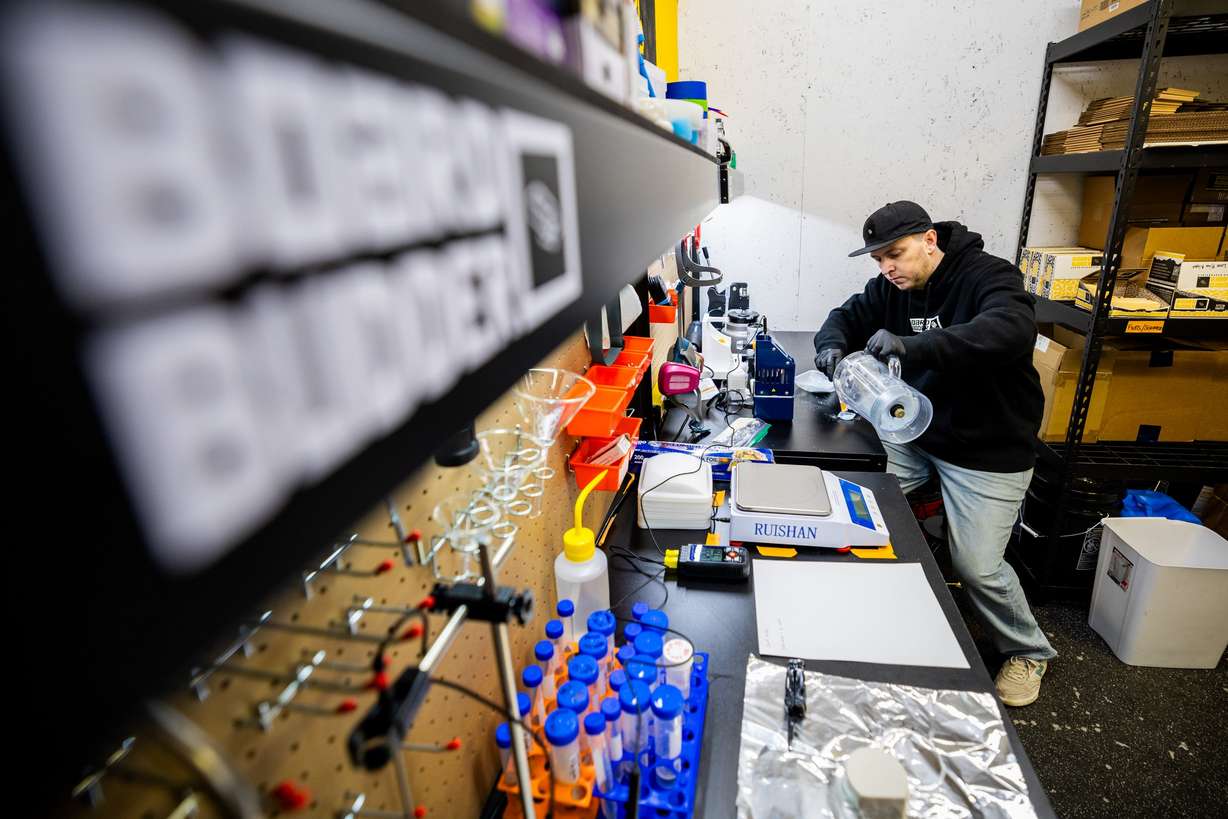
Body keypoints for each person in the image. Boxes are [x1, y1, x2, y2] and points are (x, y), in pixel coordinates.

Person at [814, 201, 1055, 706]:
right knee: (862, 502)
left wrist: (913, 347)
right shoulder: (890, 287)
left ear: (929, 240)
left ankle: (1029, 650)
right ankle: (878, 608)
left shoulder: (988, 276)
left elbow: (1010, 331)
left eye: (895, 254)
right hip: (918, 431)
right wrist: (831, 349)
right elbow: (844, 316)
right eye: (878, 260)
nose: (887, 269)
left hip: (989, 447)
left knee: (977, 567)